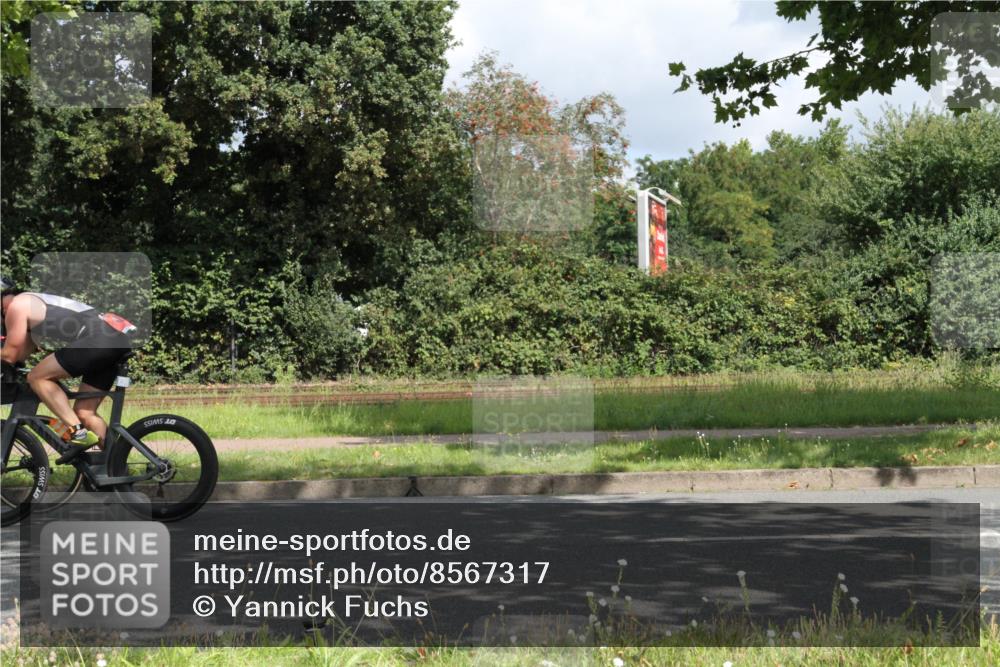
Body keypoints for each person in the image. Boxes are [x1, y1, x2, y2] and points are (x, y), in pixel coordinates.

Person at [0, 275, 133, 462]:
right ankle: (112, 469)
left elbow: (10, 354)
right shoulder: (30, 302)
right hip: (112, 338)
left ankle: (78, 434)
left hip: (97, 339)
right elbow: (19, 355)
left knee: (37, 378)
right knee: (85, 413)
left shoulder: (17, 306)